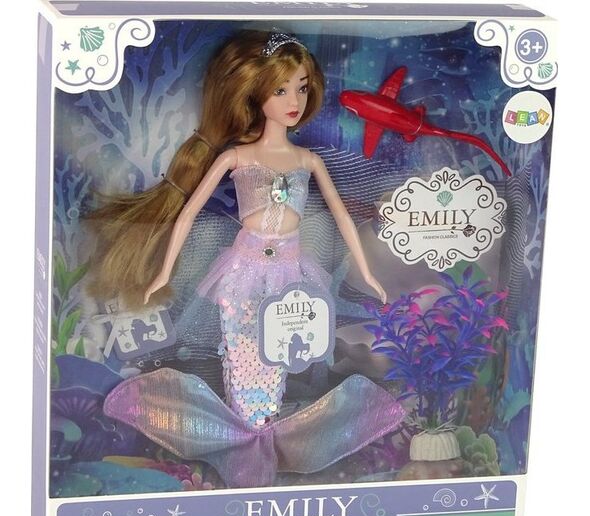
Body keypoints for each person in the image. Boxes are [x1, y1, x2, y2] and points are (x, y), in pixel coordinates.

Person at [91, 30, 405, 488]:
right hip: (244, 270)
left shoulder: (308, 160)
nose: (294, 100)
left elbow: (341, 216)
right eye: (281, 90)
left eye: (301, 88)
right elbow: (186, 213)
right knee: (243, 353)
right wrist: (162, 273)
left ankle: (265, 436)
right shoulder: (237, 157)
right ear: (256, 94)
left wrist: (369, 273)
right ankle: (245, 436)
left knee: (281, 351)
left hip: (293, 272)